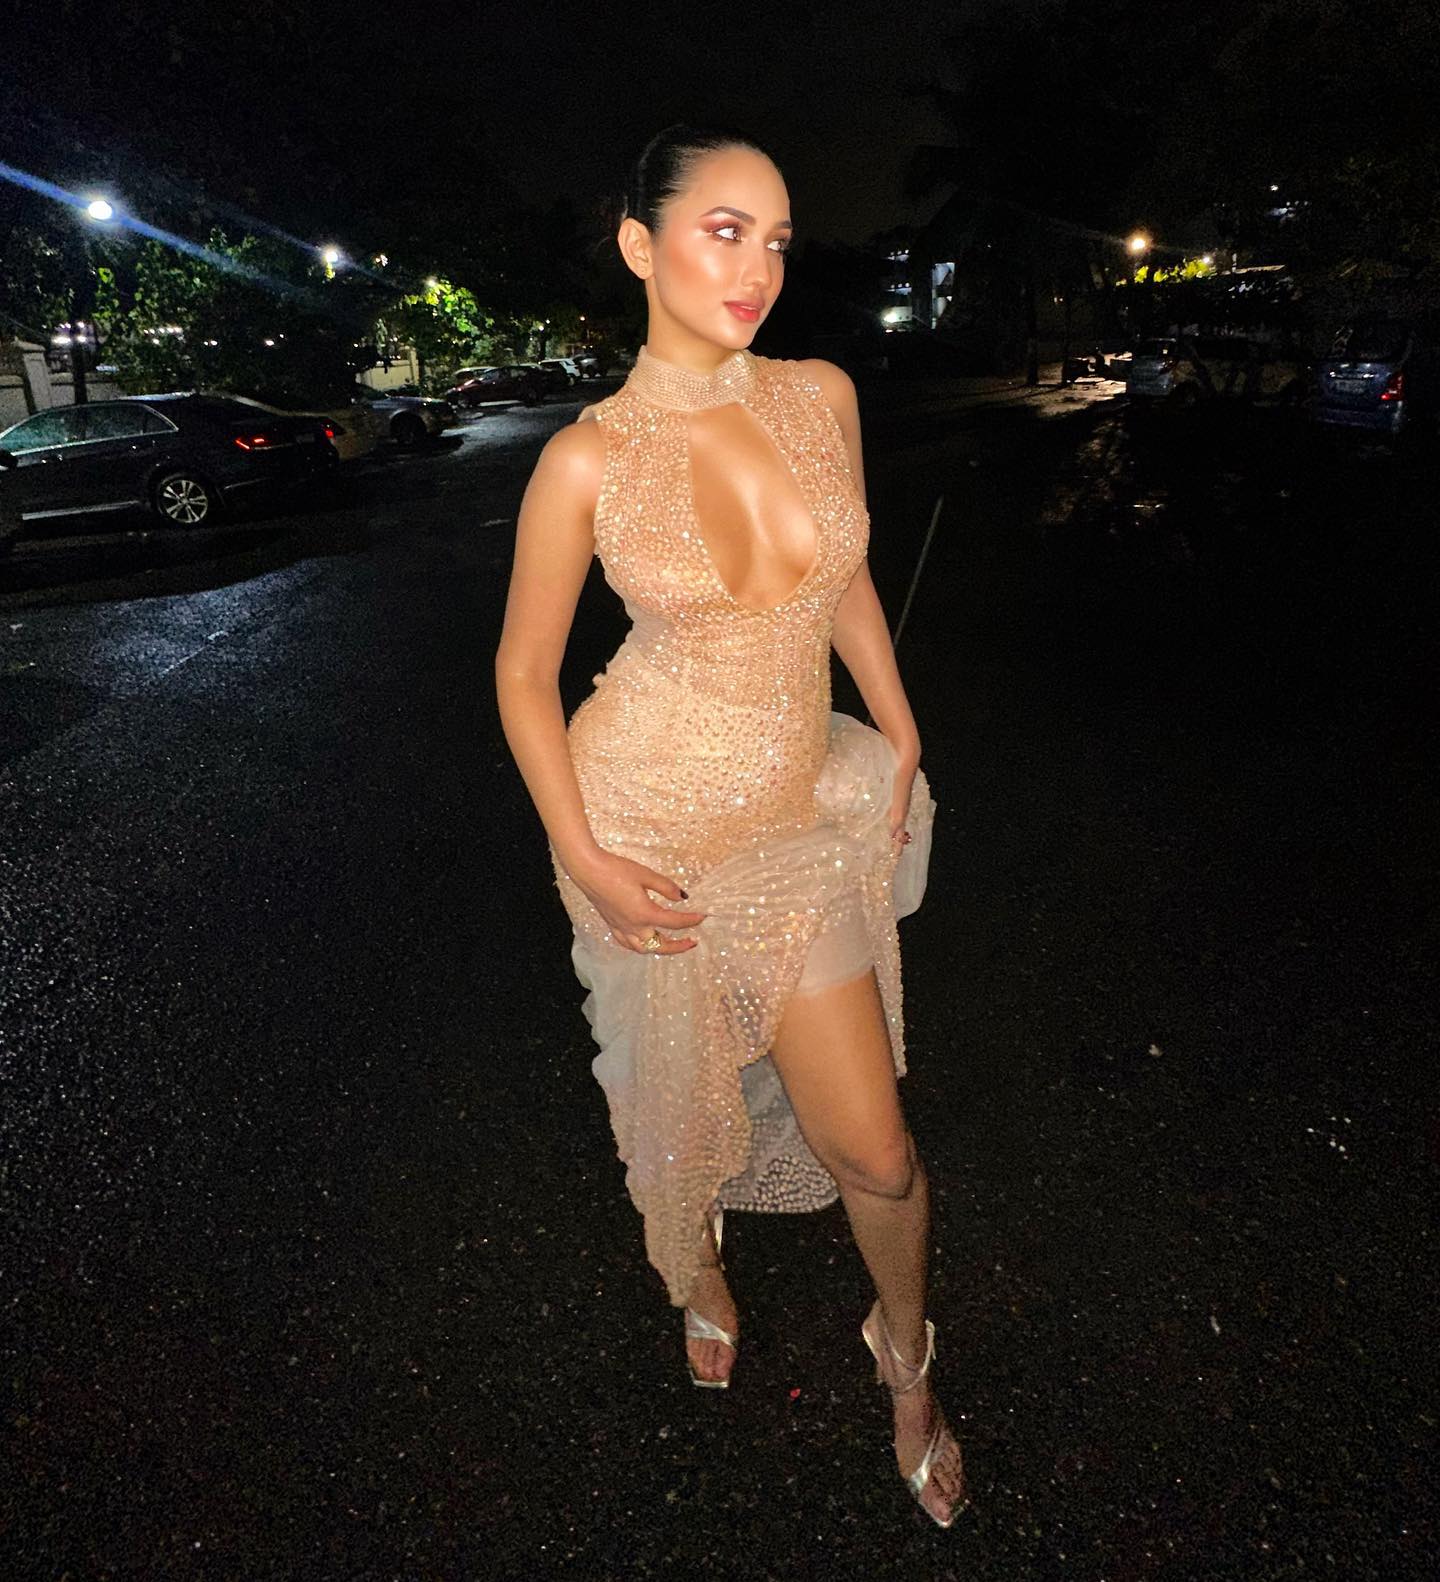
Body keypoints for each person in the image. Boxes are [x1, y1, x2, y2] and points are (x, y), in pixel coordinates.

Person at [494, 124, 967, 1528]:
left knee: (877, 1151)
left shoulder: (820, 394)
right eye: (722, 230)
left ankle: (905, 1354)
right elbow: (523, 674)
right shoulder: (585, 459)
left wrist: (899, 721)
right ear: (640, 245)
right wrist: (586, 855)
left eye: (775, 240)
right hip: (647, 821)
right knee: (671, 1096)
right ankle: (694, 1264)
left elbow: (844, 575)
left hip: (792, 821)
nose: (757, 265)